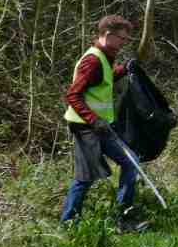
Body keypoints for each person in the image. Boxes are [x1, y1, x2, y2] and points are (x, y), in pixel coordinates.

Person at [60, 15, 146, 233]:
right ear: (108, 35)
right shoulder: (92, 60)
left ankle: (123, 218)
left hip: (102, 126)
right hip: (85, 127)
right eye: (122, 39)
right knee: (85, 177)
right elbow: (73, 95)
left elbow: (103, 81)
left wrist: (125, 68)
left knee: (131, 162)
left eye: (126, 40)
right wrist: (93, 119)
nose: (124, 43)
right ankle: (69, 225)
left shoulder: (106, 57)